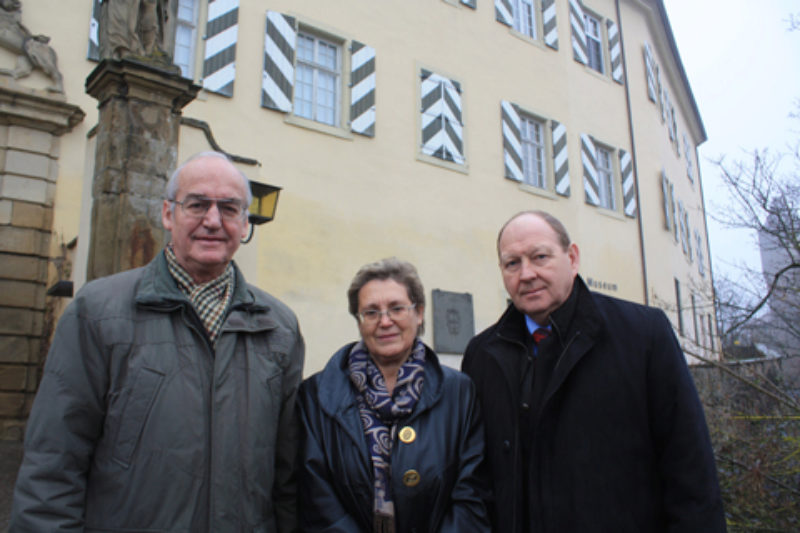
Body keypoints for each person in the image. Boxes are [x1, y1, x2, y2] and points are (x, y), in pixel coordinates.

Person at [10, 151, 305, 533]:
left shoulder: (278, 327)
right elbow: (53, 463)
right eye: (197, 204)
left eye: (230, 208)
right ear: (168, 214)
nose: (212, 221)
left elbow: (286, 478)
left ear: (245, 222)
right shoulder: (98, 311)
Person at [462, 210, 727, 533]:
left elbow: (691, 473)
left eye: (540, 257)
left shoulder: (643, 335)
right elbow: (477, 479)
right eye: (512, 263)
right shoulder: (481, 355)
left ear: (572, 258)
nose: (526, 273)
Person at [298, 258, 490, 533]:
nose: (385, 321)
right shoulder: (316, 395)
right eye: (371, 312)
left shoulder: (459, 393)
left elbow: (472, 493)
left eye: (397, 308)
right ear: (359, 320)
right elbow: (316, 498)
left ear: (419, 313)